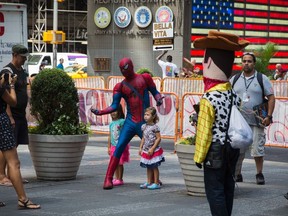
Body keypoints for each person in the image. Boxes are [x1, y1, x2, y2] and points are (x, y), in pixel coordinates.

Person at [193, 30, 250, 216]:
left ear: (208, 62)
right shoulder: (232, 93)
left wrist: (198, 157)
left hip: (215, 151)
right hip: (232, 149)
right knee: (227, 188)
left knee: (215, 191)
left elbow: (204, 131)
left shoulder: (209, 96)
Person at [91, 57, 163, 190]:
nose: (124, 71)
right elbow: (114, 106)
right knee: (118, 148)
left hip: (144, 122)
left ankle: (155, 179)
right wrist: (100, 112)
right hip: (131, 122)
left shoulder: (145, 78)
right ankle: (108, 178)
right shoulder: (120, 87)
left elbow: (155, 92)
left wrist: (159, 99)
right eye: (122, 69)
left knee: (151, 148)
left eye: (125, 68)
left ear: (131, 66)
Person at [230, 52, 275, 185]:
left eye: (249, 61)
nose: (247, 63)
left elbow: (271, 98)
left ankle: (259, 173)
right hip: (239, 122)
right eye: (244, 61)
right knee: (238, 150)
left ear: (254, 63)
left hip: (257, 120)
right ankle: (237, 173)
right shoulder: (235, 79)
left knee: (257, 149)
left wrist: (269, 116)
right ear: (241, 63)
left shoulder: (262, 78)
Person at [0, 71, 40, 209]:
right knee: (13, 162)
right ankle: (22, 199)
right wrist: (10, 85)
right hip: (1, 123)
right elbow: (12, 101)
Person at [0, 44, 30, 186]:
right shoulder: (7, 72)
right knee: (6, 147)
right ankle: (1, 175)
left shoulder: (22, 71)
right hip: (11, 115)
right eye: (22, 57)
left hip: (20, 115)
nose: (24, 60)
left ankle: (13, 175)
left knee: (14, 146)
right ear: (15, 55)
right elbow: (4, 97)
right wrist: (9, 116)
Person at [139, 107, 164, 190]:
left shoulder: (155, 127)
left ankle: (156, 182)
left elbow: (159, 138)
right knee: (148, 166)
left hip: (154, 150)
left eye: (148, 115)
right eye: (145, 114)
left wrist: (153, 148)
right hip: (146, 150)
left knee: (154, 166)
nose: (145, 116)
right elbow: (143, 138)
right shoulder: (143, 126)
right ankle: (149, 181)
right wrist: (140, 148)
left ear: (153, 116)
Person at [108, 104, 130, 186]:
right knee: (115, 163)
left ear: (119, 111)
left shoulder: (122, 121)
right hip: (113, 146)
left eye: (115, 111)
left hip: (120, 146)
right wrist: (109, 147)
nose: (113, 113)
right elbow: (109, 136)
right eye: (111, 111)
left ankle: (120, 179)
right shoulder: (111, 123)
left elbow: (125, 133)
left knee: (120, 163)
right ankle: (116, 178)